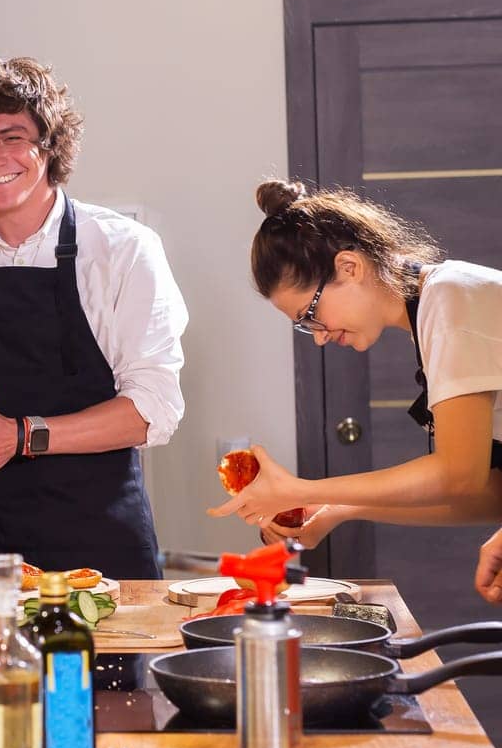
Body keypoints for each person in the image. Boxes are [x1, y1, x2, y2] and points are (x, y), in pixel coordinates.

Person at [0, 56, 189, 579]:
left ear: (49, 145)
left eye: (12, 137)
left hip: (102, 546)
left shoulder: (125, 250)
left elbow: (151, 409)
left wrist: (21, 436)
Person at [211, 179, 502, 604]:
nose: (318, 337)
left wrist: (304, 490)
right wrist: (339, 510)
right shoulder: (436, 308)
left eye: (310, 315)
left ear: (349, 267)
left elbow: (460, 476)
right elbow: (484, 490)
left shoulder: (449, 297)